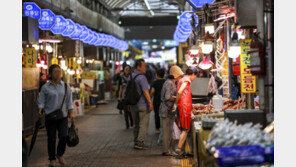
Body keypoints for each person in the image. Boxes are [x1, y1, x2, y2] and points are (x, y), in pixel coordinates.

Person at [38, 64, 74, 167]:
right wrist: (40, 110)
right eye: (55, 71)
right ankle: (52, 159)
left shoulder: (66, 86)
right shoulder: (45, 87)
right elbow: (41, 101)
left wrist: (71, 113)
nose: (58, 73)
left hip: (62, 116)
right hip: (50, 116)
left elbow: (69, 102)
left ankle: (59, 154)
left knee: (63, 136)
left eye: (59, 71)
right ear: (50, 73)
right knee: (51, 138)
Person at [174, 67, 198, 158]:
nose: (194, 78)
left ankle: (182, 150)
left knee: (184, 129)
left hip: (184, 106)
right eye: (195, 76)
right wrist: (175, 103)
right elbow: (180, 92)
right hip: (184, 106)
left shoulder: (182, 79)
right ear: (192, 74)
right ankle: (179, 150)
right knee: (186, 129)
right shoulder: (187, 80)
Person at [159, 66, 184, 156]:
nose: (180, 77)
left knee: (169, 131)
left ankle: (168, 149)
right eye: (179, 75)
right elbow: (167, 97)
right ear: (175, 75)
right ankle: (166, 150)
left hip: (169, 110)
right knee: (167, 131)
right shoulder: (169, 83)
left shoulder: (171, 82)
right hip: (166, 110)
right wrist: (178, 98)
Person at [129, 59, 153, 150]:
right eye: (144, 66)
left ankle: (136, 141)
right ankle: (140, 142)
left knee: (136, 124)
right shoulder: (142, 77)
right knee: (143, 124)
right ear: (138, 67)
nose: (145, 68)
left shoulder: (131, 76)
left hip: (133, 105)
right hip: (142, 104)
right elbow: (145, 91)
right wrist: (150, 103)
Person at [150, 68, 166, 133]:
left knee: (157, 114)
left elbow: (152, 92)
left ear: (157, 75)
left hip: (156, 101)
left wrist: (150, 98)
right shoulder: (165, 82)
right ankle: (165, 127)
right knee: (165, 114)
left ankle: (157, 128)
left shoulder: (155, 82)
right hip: (164, 101)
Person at [118, 65, 134, 129]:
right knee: (125, 111)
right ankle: (127, 124)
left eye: (128, 69)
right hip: (124, 96)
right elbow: (120, 88)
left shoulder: (132, 77)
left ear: (130, 70)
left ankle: (132, 122)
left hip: (131, 96)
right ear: (124, 70)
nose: (127, 70)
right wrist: (119, 97)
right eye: (126, 69)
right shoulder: (121, 78)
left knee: (130, 111)